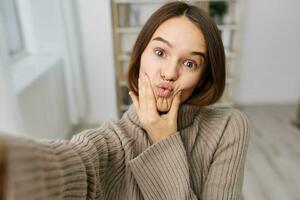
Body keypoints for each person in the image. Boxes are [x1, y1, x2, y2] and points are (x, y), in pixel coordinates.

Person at [0, 1, 250, 200]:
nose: (170, 73)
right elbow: (73, 161)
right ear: (140, 55)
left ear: (203, 76)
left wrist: (164, 139)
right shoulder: (112, 140)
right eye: (160, 52)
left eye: (189, 63)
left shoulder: (229, 126)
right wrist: (10, 160)